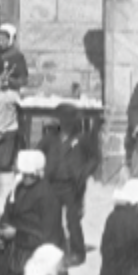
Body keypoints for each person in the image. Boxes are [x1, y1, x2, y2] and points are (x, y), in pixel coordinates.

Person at [39, 105, 95, 263]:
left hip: (72, 186)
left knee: (73, 220)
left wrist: (84, 172)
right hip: (52, 184)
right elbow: (37, 153)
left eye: (69, 121)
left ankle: (78, 252)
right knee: (52, 219)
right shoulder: (50, 139)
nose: (66, 124)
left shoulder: (82, 139)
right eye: (63, 120)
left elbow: (94, 159)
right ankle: (54, 250)